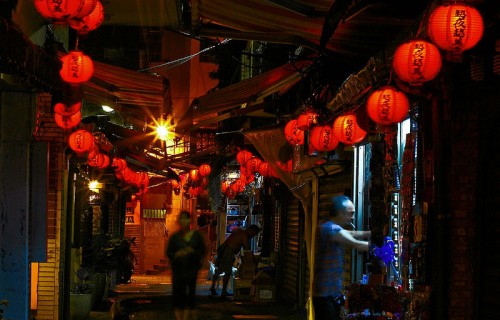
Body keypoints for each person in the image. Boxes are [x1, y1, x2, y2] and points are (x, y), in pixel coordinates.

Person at [312, 195, 371, 320]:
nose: (353, 217)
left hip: (327, 294)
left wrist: (371, 234)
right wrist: (379, 247)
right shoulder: (331, 229)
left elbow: (351, 234)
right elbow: (357, 245)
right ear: (340, 213)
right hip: (326, 296)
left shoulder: (328, 226)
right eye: (350, 213)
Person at [167, 211, 207, 320]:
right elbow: (169, 252)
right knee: (178, 296)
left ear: (190, 220)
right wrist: (177, 254)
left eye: (186, 218)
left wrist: (192, 251)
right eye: (182, 219)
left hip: (191, 270)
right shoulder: (175, 237)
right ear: (179, 221)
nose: (184, 221)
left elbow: (203, 250)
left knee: (190, 296)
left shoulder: (196, 236)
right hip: (178, 271)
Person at [209, 224, 261, 297]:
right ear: (251, 230)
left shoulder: (239, 231)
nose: (253, 236)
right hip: (228, 252)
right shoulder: (244, 234)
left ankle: (213, 287)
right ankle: (223, 291)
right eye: (254, 234)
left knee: (219, 269)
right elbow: (246, 248)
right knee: (227, 272)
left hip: (224, 249)